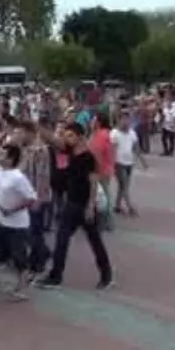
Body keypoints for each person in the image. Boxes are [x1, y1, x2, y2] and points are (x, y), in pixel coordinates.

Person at [35, 122, 114, 291]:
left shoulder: (88, 158)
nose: (66, 138)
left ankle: (106, 275)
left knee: (95, 241)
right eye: (66, 135)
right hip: (71, 204)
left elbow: (93, 182)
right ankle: (55, 276)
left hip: (84, 205)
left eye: (70, 135)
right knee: (62, 240)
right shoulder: (70, 150)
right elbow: (53, 140)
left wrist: (90, 206)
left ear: (80, 136)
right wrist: (37, 126)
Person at [0, 144, 37, 300]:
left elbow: (31, 198)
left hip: (17, 224)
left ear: (11, 159)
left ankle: (21, 288)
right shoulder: (0, 171)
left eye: (3, 154)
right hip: (1, 221)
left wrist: (12, 210)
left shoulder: (18, 177)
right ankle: (14, 279)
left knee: (19, 257)